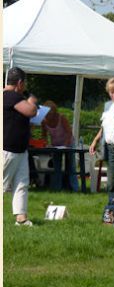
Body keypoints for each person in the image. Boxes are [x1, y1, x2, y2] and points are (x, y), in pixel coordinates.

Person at [3, 67, 38, 226]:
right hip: (8, 150)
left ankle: (21, 218)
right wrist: (32, 101)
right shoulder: (10, 96)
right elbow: (31, 111)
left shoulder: (11, 96)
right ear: (20, 83)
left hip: (20, 149)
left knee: (21, 184)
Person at [41, 100, 79, 192]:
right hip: (55, 145)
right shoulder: (44, 121)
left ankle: (75, 188)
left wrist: (65, 146)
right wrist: (45, 144)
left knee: (71, 166)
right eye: (47, 114)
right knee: (56, 167)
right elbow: (44, 135)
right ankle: (57, 188)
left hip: (68, 143)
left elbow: (69, 133)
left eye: (50, 114)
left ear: (54, 113)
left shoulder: (61, 118)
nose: (48, 116)